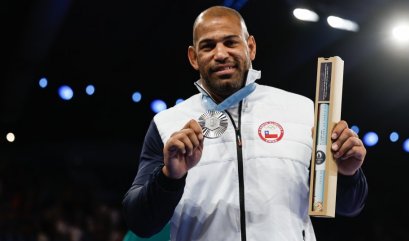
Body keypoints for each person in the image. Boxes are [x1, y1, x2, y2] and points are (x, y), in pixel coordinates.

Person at [122, 5, 368, 241]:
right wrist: (169, 177)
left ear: (250, 47)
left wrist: (348, 175)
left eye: (231, 42)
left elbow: (349, 207)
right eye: (208, 46)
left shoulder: (303, 111)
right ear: (193, 57)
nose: (220, 54)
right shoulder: (168, 124)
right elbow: (140, 224)